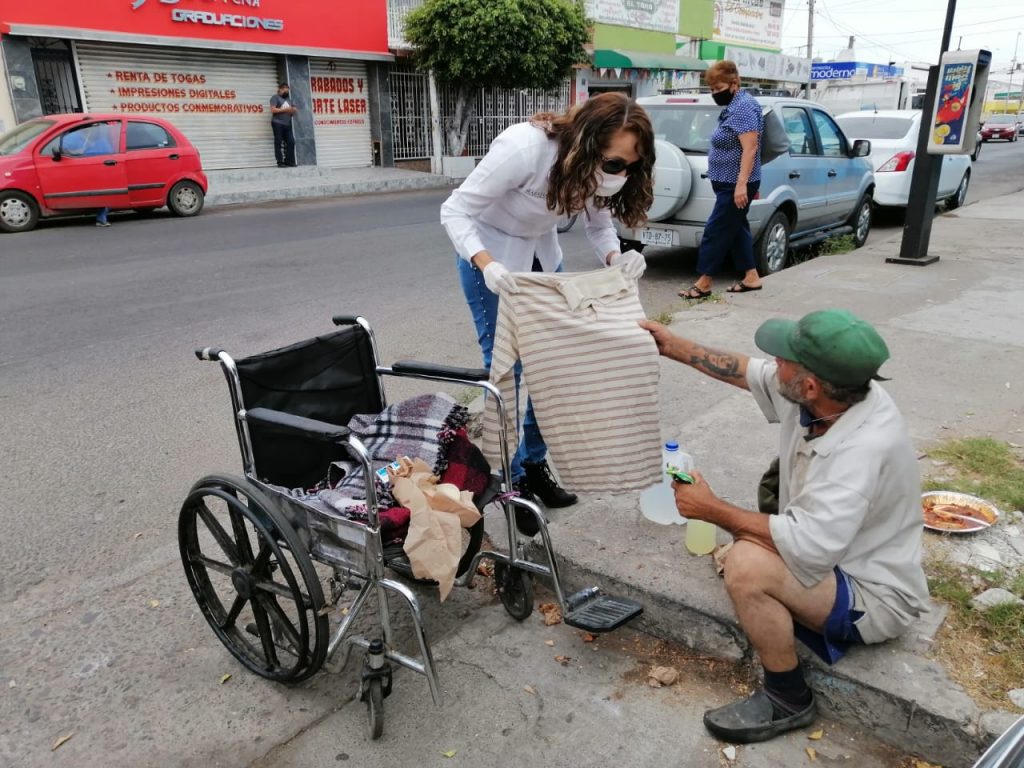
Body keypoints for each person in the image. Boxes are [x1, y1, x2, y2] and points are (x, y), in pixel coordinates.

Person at [639, 309, 930, 743]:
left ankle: (788, 699)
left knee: (746, 566)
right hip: (836, 551)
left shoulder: (860, 450)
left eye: (782, 360)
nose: (772, 364)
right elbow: (744, 370)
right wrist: (672, 345)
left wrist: (711, 509)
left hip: (873, 594)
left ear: (810, 385)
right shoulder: (834, 396)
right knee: (756, 535)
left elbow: (808, 548)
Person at [441, 92, 655, 512]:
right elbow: (455, 211)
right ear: (587, 143)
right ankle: (513, 481)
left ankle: (535, 464)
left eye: (630, 166)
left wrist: (617, 257)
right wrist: (487, 265)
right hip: (491, 261)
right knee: (510, 373)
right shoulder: (525, 149)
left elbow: (598, 227)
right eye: (614, 164)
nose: (620, 174)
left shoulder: (594, 168)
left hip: (542, 260)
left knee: (555, 366)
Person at [679, 60, 765, 300]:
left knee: (716, 231)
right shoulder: (735, 105)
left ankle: (704, 282)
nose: (715, 94)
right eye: (712, 89)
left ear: (734, 83)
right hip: (727, 182)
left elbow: (750, 148)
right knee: (737, 229)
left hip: (736, 184)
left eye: (718, 89)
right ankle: (751, 277)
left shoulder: (744, 107)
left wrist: (740, 186)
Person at [270, 83, 298, 168]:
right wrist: (286, 109)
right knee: (278, 142)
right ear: (280, 89)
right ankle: (280, 162)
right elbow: (273, 110)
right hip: (277, 123)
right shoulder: (275, 97)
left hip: (287, 124)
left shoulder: (289, 100)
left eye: (287, 90)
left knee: (291, 142)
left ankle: (289, 161)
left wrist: (293, 110)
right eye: (285, 90)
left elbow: (292, 111)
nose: (286, 92)